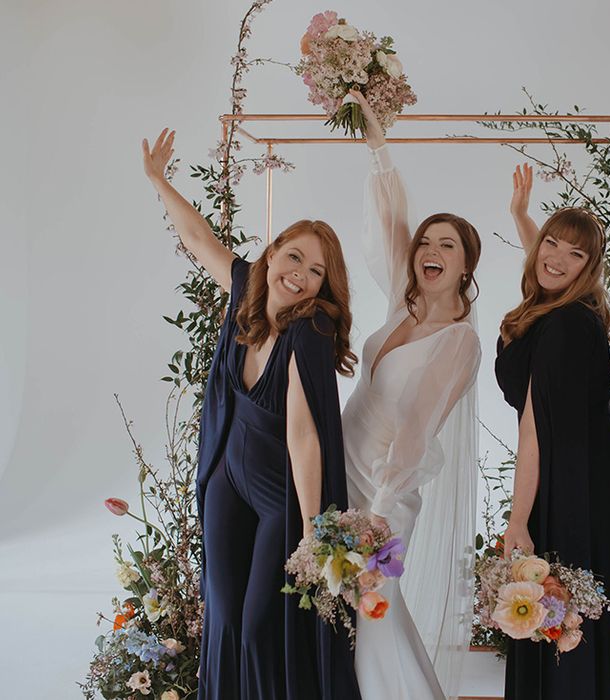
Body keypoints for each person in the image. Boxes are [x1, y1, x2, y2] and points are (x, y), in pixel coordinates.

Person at [142, 129, 362, 700]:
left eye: (317, 271)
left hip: (280, 495)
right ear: (272, 254)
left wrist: (314, 530)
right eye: (295, 257)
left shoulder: (311, 329)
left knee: (264, 621)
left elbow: (304, 433)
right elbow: (197, 238)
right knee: (224, 615)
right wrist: (159, 182)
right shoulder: (245, 288)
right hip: (225, 478)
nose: (302, 274)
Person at [341, 92, 482, 700]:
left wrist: (380, 509)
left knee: (373, 604)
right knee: (346, 607)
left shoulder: (457, 341)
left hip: (383, 491)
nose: (430, 251)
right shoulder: (405, 305)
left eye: (447, 245)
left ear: (467, 266)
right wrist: (376, 141)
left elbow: (417, 431)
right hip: (341, 463)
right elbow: (393, 221)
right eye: (428, 242)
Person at [498, 163, 610, 699]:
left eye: (576, 255)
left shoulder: (563, 325)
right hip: (576, 461)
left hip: (580, 473)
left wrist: (517, 519)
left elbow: (532, 430)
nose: (557, 257)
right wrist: (521, 216)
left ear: (589, 270)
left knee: (561, 599)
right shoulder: (555, 304)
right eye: (551, 243)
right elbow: (549, 264)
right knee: (558, 597)